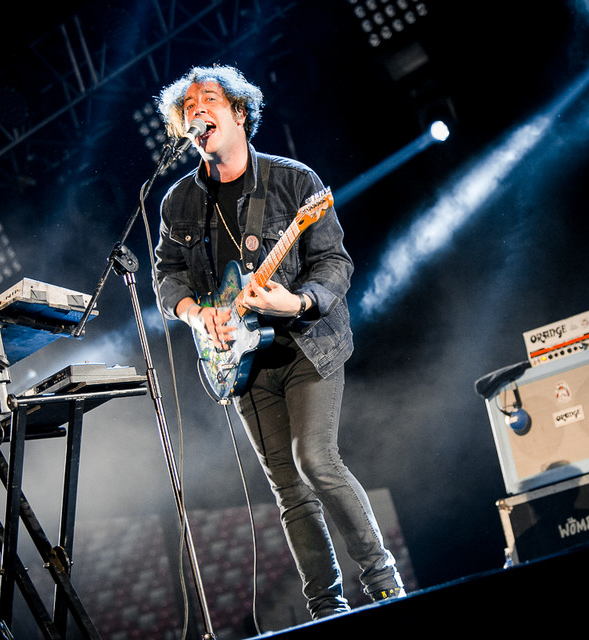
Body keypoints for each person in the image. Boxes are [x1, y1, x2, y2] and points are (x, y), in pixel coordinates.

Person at [151, 64, 405, 620]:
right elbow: (166, 275)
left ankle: (385, 584)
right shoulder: (177, 203)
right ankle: (326, 608)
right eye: (188, 107)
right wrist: (197, 316)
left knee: (315, 459)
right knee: (288, 489)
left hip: (308, 344)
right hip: (241, 363)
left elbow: (335, 262)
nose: (198, 111)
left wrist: (299, 302)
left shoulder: (294, 182)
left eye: (209, 101)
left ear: (239, 113)